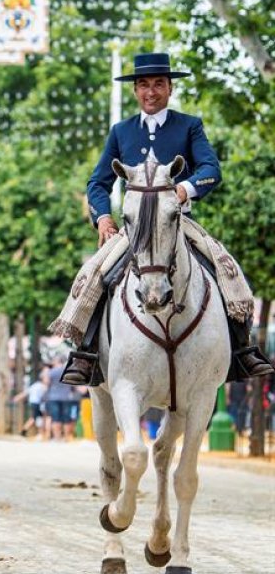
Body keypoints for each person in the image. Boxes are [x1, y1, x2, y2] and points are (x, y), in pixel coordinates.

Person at [56, 52, 274, 386]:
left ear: (170, 88)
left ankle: (243, 350)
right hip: (133, 232)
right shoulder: (121, 131)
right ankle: (86, 354)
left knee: (225, 268)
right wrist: (102, 218)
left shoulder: (189, 126)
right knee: (95, 275)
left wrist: (184, 191)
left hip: (176, 223)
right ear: (135, 91)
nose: (151, 91)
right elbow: (98, 182)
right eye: (144, 85)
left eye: (158, 84)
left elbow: (210, 170)